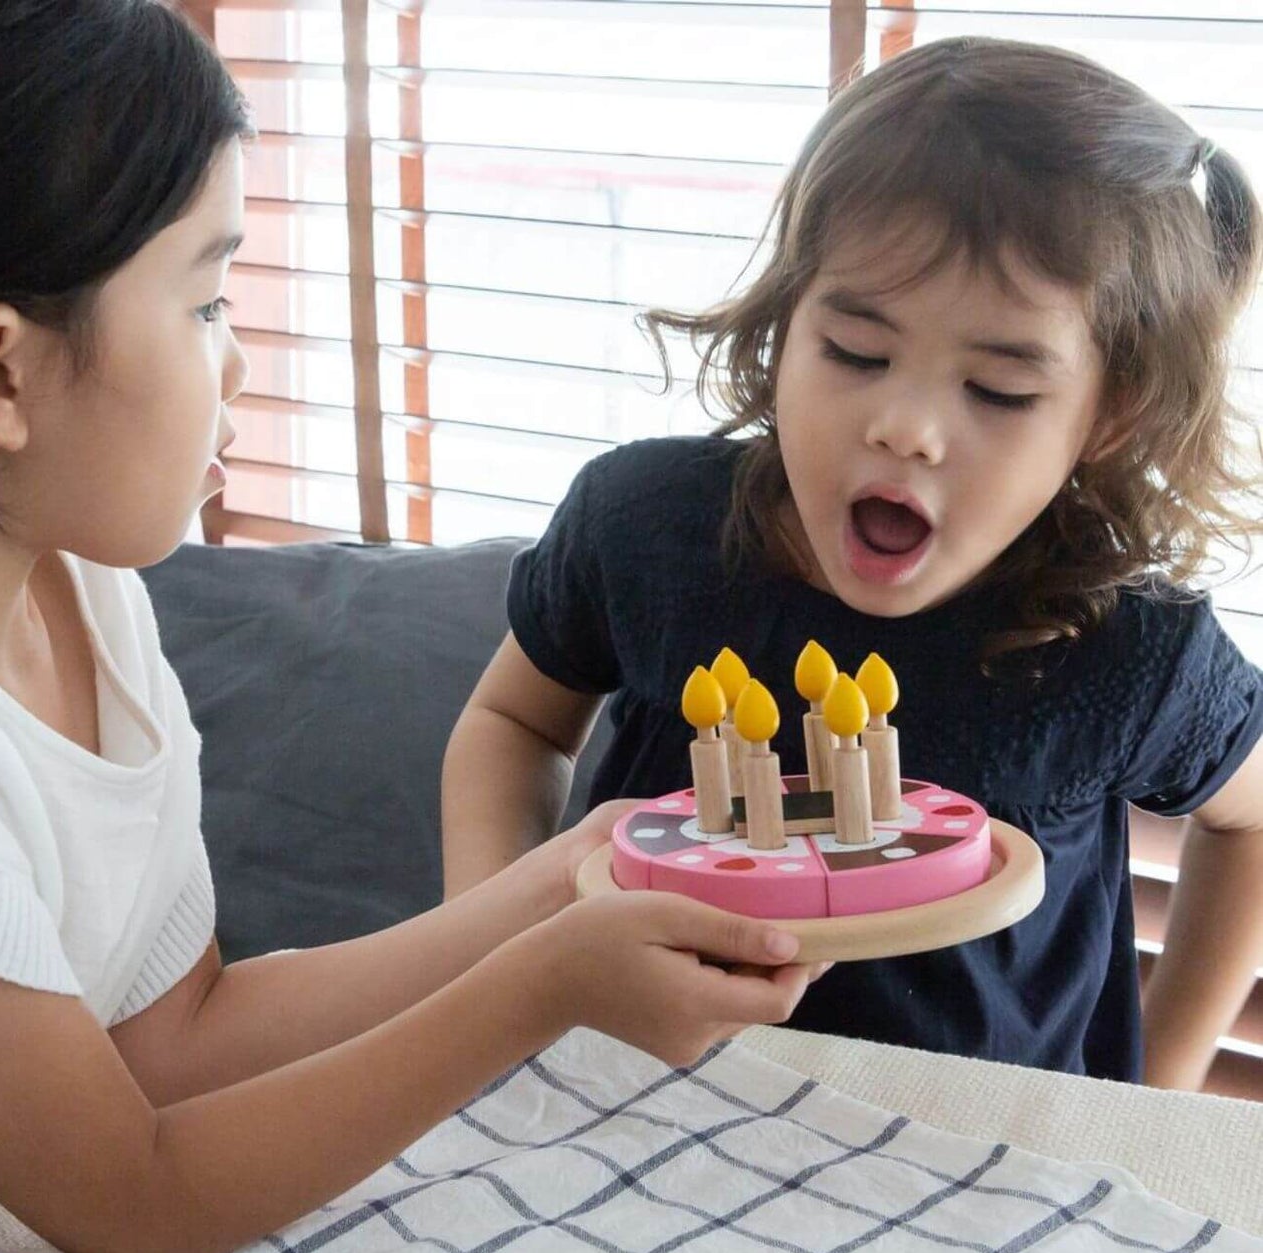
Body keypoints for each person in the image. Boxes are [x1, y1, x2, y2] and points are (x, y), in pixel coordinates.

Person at [0, 0, 828, 1253]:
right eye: (205, 300)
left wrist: (563, 880)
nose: (236, 362)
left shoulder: (80, 590)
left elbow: (173, 1035)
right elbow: (138, 1195)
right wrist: (538, 988)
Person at [443, 37, 1263, 1095]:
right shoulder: (640, 525)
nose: (905, 427)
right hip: (634, 1110)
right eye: (857, 353)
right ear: (786, 325)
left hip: (967, 1172)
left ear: (1106, 417)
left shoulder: (1127, 647)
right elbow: (509, 722)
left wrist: (1159, 1085)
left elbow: (1246, 823)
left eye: (999, 392)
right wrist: (495, 956)